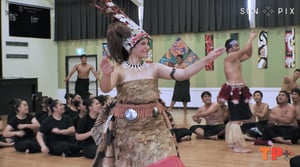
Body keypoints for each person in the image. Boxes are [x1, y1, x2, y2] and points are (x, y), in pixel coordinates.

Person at [92, 1, 225, 166]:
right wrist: (106, 74)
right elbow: (106, 88)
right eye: (143, 44)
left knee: (167, 160)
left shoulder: (154, 67)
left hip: (156, 125)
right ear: (130, 47)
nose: (147, 47)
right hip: (129, 130)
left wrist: (207, 59)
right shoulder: (119, 70)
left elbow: (183, 74)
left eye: (147, 43)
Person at [218, 32, 257, 153]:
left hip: (240, 89)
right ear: (229, 48)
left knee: (235, 119)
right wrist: (250, 37)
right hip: (233, 91)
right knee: (236, 119)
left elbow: (249, 54)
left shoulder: (236, 59)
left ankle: (232, 143)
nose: (237, 45)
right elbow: (245, 49)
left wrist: (250, 43)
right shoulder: (230, 57)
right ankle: (236, 146)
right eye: (235, 44)